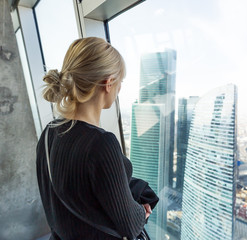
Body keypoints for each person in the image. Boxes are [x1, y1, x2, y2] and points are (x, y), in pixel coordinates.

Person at [36, 37, 158, 240]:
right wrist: (142, 210)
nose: (120, 89)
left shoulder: (49, 132)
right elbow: (131, 225)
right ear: (109, 83)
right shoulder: (102, 143)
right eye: (121, 82)